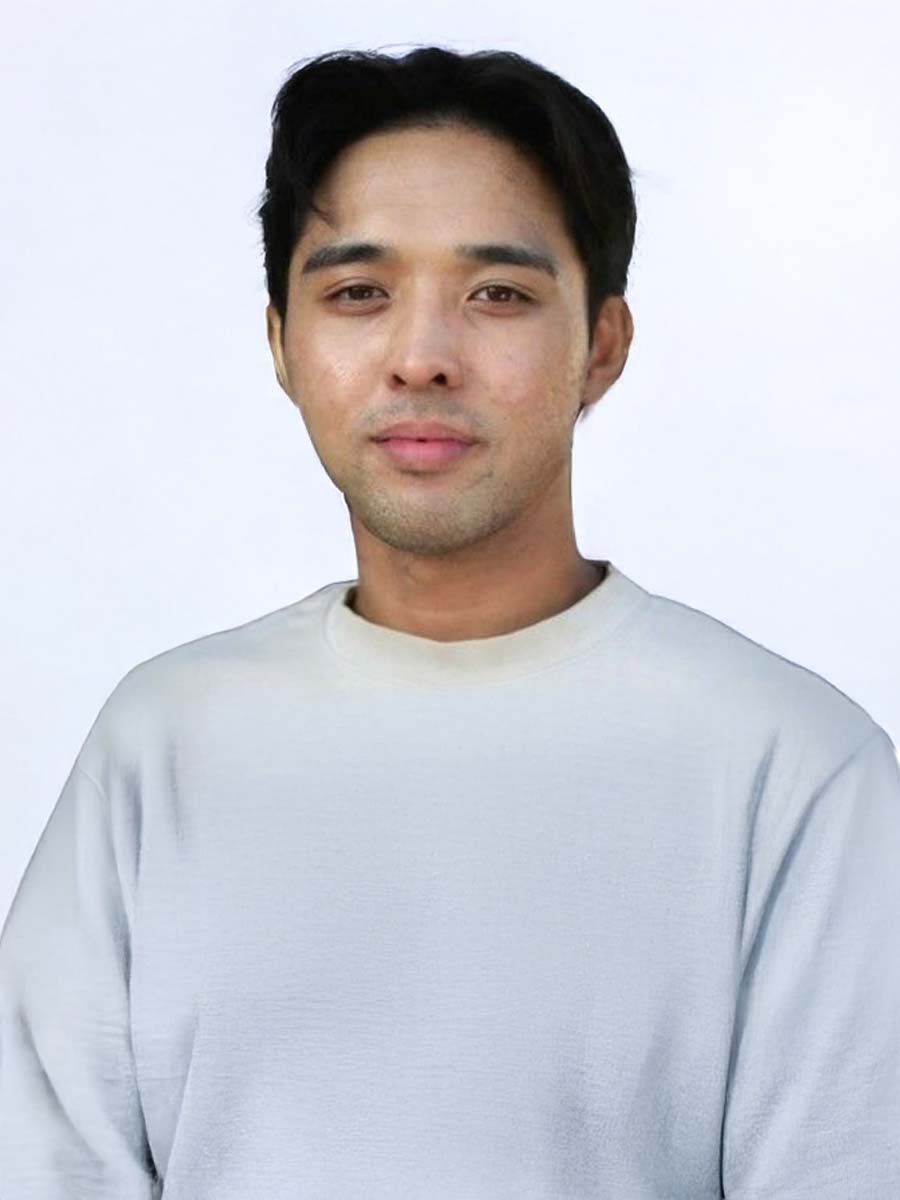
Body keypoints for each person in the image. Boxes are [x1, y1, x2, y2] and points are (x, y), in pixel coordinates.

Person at [1, 45, 898, 1200]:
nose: (422, 358)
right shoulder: (162, 744)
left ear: (604, 347)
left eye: (499, 295)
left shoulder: (797, 771)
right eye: (358, 293)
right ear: (282, 342)